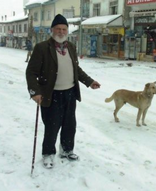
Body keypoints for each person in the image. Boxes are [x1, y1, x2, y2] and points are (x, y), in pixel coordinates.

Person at [26, 14, 101, 169]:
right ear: (52, 30)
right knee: (52, 126)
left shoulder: (71, 47)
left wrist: (89, 81)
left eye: (64, 29)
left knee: (69, 125)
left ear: (67, 31)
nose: (61, 32)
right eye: (58, 29)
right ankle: (48, 154)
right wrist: (35, 92)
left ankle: (67, 150)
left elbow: (76, 70)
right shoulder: (42, 48)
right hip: (51, 94)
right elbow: (31, 72)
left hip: (70, 93)